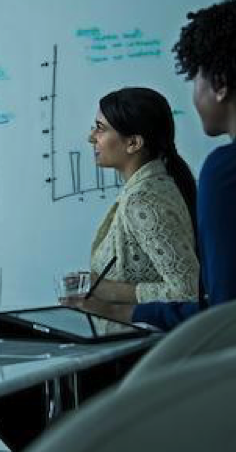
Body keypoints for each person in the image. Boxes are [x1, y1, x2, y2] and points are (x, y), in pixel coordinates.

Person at [72, 0, 236, 329]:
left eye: (195, 76)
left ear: (220, 84)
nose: (90, 138)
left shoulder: (229, 171)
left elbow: (223, 311)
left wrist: (113, 300)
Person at [83, 87, 199, 304]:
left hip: (142, 336)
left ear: (134, 143)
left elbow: (187, 292)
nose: (91, 138)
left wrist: (105, 290)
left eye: (100, 128)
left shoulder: (143, 201)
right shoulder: (154, 186)